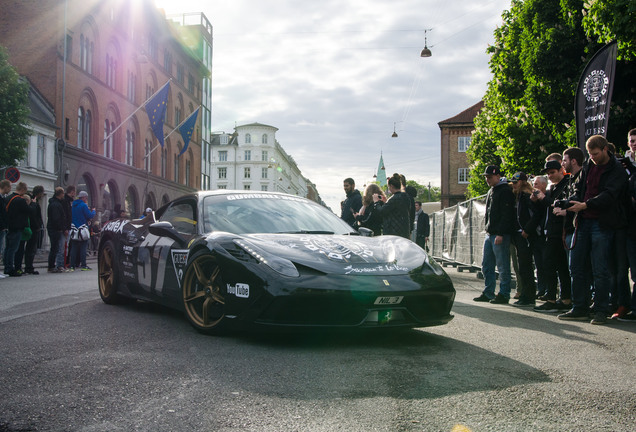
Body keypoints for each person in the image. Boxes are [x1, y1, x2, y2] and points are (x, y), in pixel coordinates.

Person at [559, 135, 629, 325]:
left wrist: (585, 205)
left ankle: (601, 309)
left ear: (606, 149)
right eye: (590, 154)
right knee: (576, 266)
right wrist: (571, 202)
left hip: (603, 223)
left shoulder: (617, 170)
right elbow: (579, 187)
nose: (593, 157)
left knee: (600, 269)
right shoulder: (589, 165)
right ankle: (579, 307)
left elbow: (609, 196)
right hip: (583, 221)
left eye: (596, 154)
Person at [532, 160, 572, 312]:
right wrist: (536, 201)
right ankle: (561, 299)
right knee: (553, 265)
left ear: (561, 170)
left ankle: (556, 299)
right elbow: (545, 209)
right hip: (550, 231)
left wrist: (543, 198)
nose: (550, 176)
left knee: (556, 266)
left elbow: (559, 204)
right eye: (548, 173)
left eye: (552, 172)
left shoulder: (566, 185)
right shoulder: (552, 187)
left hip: (560, 232)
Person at [473, 165, 515, 304]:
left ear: (498, 176)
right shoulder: (492, 190)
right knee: (487, 265)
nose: (487, 179)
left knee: (502, 266)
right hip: (491, 233)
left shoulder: (504, 191)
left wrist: (501, 233)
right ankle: (489, 291)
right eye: (486, 177)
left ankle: (504, 293)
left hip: (498, 234)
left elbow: (507, 214)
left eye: (489, 177)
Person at [510, 172, 539, 306]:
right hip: (519, 234)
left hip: (525, 235)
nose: (513, 185)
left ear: (522, 182)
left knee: (525, 266)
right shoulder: (518, 196)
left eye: (515, 183)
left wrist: (527, 230)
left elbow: (536, 214)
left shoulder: (527, 196)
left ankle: (528, 296)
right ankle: (526, 295)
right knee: (522, 266)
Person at [3, 182, 30, 277]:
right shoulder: (20, 200)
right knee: (13, 249)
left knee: (7, 248)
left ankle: (6, 266)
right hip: (17, 227)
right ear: (22, 190)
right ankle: (10, 268)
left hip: (8, 226)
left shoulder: (7, 198)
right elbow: (28, 211)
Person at [372, 173, 410, 239]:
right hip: (404, 231)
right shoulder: (406, 197)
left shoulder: (394, 198)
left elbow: (382, 211)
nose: (389, 189)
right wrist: (386, 202)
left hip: (393, 233)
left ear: (391, 186)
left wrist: (376, 202)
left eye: (388, 187)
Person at [70, 190, 96, 271]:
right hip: (82, 229)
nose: (86, 199)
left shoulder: (73, 205)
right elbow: (89, 215)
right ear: (83, 197)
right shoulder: (83, 205)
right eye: (86, 198)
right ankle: (83, 265)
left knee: (74, 248)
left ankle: (72, 266)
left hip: (74, 228)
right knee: (83, 248)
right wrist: (94, 211)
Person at [23, 185, 44, 274]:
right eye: (42, 193)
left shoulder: (34, 201)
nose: (42, 195)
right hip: (33, 227)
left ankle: (29, 266)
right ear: (39, 193)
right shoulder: (33, 202)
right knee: (31, 248)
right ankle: (29, 267)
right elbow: (34, 215)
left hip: (33, 227)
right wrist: (38, 225)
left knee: (31, 248)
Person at [47, 187, 68, 273]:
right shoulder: (56, 204)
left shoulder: (53, 203)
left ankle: (52, 265)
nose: (63, 195)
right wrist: (62, 228)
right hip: (55, 229)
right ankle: (52, 266)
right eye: (63, 193)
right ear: (60, 194)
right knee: (55, 248)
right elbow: (57, 219)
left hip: (53, 228)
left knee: (55, 247)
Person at [63, 185, 76, 269]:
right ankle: (64, 263)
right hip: (66, 226)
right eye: (74, 192)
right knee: (65, 246)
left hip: (69, 225)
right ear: (72, 192)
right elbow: (65, 215)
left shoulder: (70, 202)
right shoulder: (66, 201)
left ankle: (67, 262)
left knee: (68, 245)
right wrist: (66, 228)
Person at [0, 179, 10, 279]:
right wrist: (3, 225)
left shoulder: (3, 198)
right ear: (5, 187)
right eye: (9, 187)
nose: (10, 189)